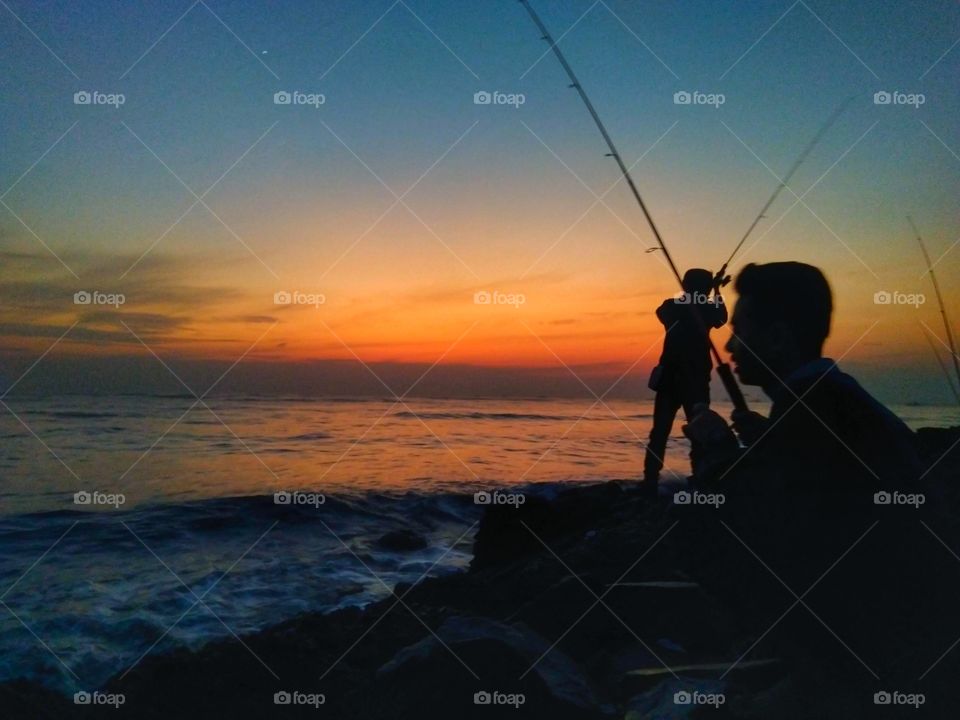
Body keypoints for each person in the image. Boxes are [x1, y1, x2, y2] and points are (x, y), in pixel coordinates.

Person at [684, 261, 921, 489]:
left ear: (777, 338)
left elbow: (760, 517)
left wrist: (716, 444)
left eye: (739, 331)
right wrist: (770, 436)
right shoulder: (831, 397)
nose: (728, 346)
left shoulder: (812, 411)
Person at [641, 268, 727, 495]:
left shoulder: (674, 307)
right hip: (691, 382)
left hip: (676, 382)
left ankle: (650, 484)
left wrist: (710, 290)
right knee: (694, 435)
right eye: (707, 288)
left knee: (660, 434)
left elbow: (720, 317)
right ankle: (697, 483)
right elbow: (720, 316)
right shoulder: (693, 309)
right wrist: (714, 291)